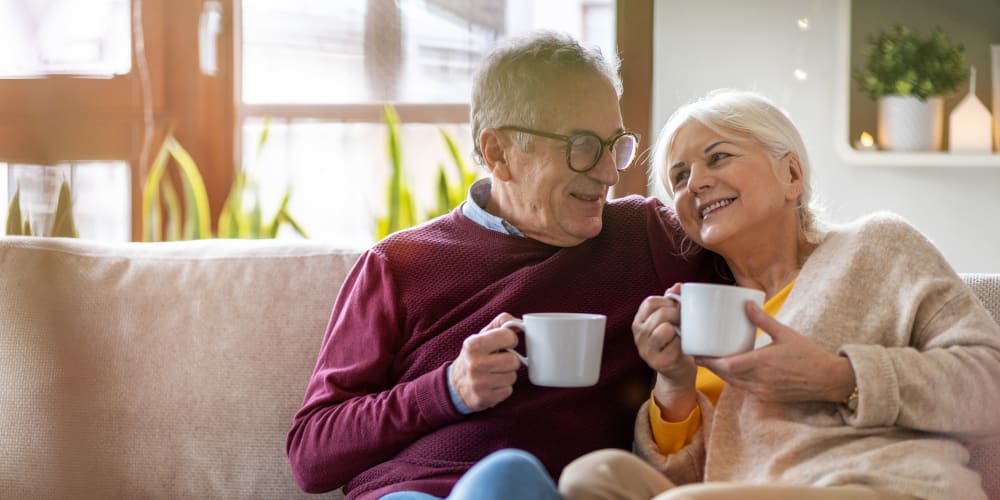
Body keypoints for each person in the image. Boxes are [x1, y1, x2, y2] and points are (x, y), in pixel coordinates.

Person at [285, 31, 723, 500]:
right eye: (582, 146)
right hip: (409, 491)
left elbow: (773, 266)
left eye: (614, 144)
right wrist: (447, 389)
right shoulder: (398, 264)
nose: (608, 174)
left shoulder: (647, 237)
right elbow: (311, 455)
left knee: (508, 478)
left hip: (547, 491)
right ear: (498, 153)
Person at [558, 89, 1000, 500]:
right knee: (592, 477)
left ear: (790, 174)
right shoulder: (707, 320)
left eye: (718, 157)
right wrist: (675, 382)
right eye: (679, 176)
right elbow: (687, 483)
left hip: (885, 486)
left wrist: (841, 378)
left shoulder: (877, 245)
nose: (695, 183)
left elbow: (991, 383)